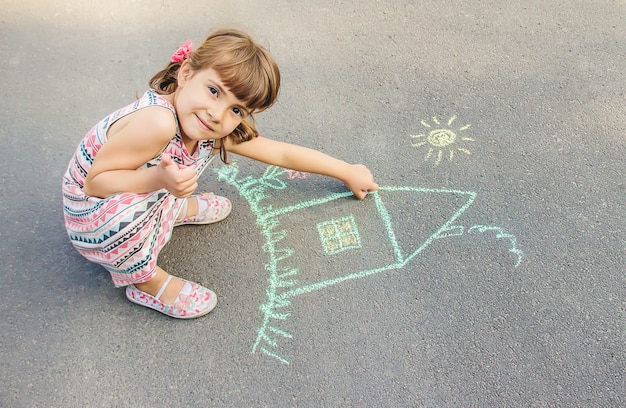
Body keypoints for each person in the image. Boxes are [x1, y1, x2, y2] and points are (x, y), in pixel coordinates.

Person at [62, 29, 379, 319]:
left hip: (145, 184)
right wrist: (158, 181)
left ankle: (171, 208)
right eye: (214, 91)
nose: (218, 115)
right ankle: (144, 281)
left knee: (172, 177)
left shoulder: (207, 126)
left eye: (237, 109)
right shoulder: (157, 123)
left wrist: (346, 171)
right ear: (185, 72)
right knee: (127, 219)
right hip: (93, 214)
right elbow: (96, 183)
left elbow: (280, 153)